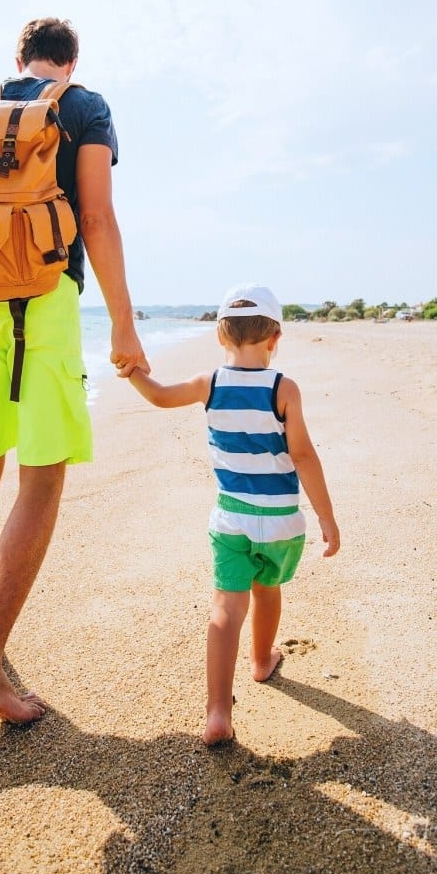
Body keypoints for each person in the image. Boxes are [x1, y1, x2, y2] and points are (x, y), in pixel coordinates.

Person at [0, 17, 149, 722]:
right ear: (71, 62)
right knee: (42, 478)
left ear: (19, 58)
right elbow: (97, 219)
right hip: (44, 302)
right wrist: (124, 321)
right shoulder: (84, 106)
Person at [124, 283, 339, 745]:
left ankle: (218, 712)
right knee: (268, 589)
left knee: (226, 608)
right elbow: (303, 455)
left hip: (231, 519)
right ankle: (262, 661)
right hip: (280, 521)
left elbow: (159, 396)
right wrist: (326, 517)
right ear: (275, 338)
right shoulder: (284, 388)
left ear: (221, 335)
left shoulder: (210, 383)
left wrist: (132, 370)